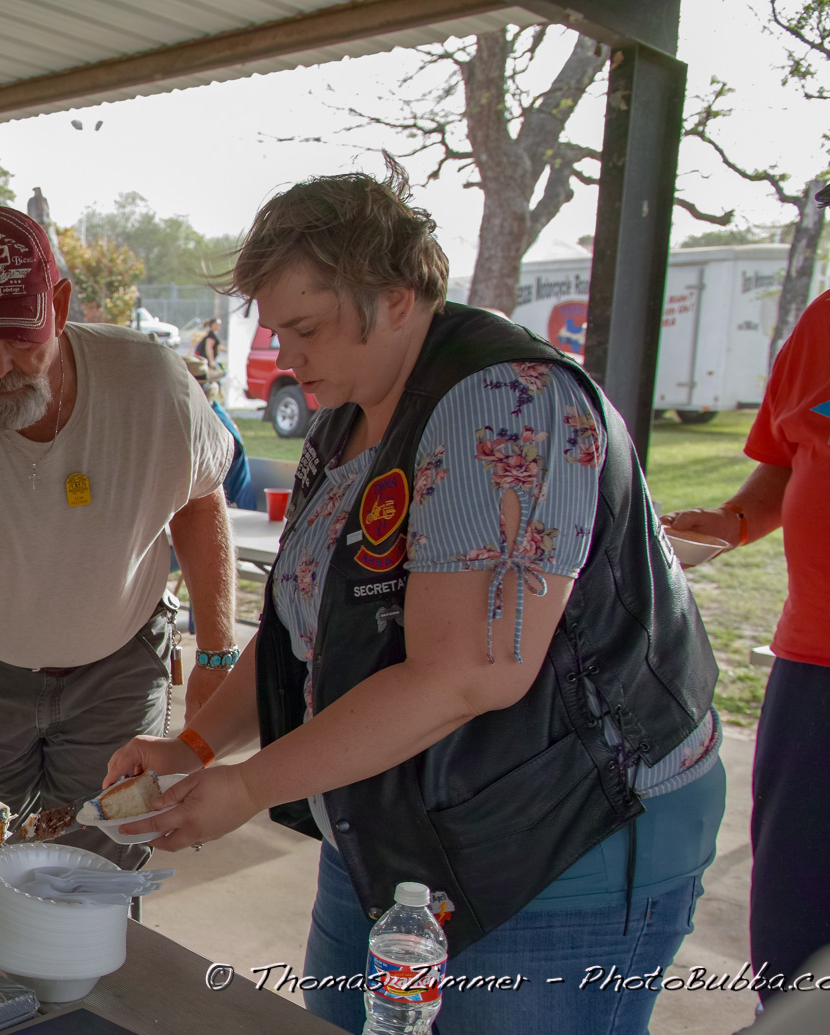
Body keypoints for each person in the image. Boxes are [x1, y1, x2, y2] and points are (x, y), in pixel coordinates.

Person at [105, 170, 722, 1034]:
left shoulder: (510, 402)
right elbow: (299, 626)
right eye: (279, 332)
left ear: (396, 298)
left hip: (559, 841)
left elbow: (466, 674)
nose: (289, 358)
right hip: (395, 833)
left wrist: (247, 785)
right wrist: (195, 745)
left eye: (307, 329)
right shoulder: (352, 409)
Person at [0, 205, 237, 868]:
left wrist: (217, 654)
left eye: (18, 337)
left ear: (58, 306)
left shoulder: (153, 386)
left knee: (105, 864)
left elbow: (200, 501)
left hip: (120, 668)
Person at [663, 110, 830, 1006]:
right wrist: (733, 522)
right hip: (817, 666)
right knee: (797, 912)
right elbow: (784, 462)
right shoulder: (827, 322)